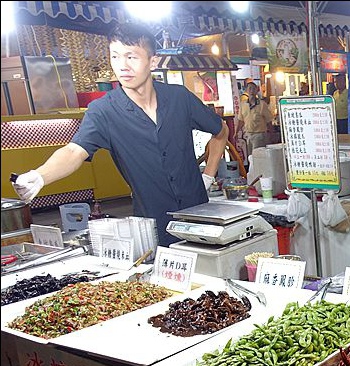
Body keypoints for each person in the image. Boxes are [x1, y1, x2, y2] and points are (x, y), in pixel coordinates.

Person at [11, 22, 228, 248]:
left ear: (152, 62)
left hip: (201, 219)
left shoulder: (179, 98)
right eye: (115, 57)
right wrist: (40, 176)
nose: (122, 66)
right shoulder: (104, 111)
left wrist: (208, 176)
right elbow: (74, 151)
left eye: (131, 57)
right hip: (153, 227)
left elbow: (221, 131)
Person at [236, 81, 274, 156]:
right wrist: (236, 132)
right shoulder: (243, 105)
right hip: (248, 134)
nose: (251, 91)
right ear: (246, 90)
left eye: (254, 89)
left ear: (257, 91)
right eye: (249, 88)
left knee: (257, 156)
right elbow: (241, 120)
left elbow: (269, 120)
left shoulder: (262, 104)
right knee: (250, 156)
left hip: (259, 135)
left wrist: (271, 134)